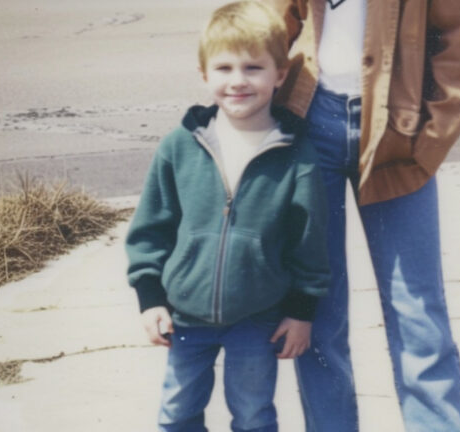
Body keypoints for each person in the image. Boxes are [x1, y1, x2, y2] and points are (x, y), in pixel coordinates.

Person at [268, 0, 460, 431]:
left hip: (395, 129)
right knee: (318, 315)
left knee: (418, 314)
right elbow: (268, 25)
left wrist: (427, 143)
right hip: (311, 121)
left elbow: (455, 42)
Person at [124, 2, 330, 431]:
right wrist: (150, 297)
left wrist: (301, 311)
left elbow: (309, 242)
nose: (237, 81)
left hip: (258, 319)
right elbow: (151, 229)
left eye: (253, 68)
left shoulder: (296, 155)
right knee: (176, 413)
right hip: (184, 315)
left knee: (254, 414)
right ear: (204, 74)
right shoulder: (179, 147)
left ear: (280, 75)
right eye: (223, 68)